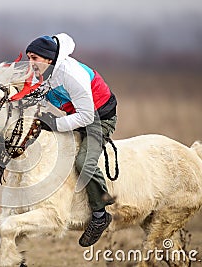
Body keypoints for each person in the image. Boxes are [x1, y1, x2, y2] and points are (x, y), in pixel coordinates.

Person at [25, 33, 117, 247]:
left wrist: (55, 124)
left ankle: (100, 214)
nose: (30, 62)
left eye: (35, 57)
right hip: (75, 116)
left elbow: (87, 117)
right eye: (29, 56)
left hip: (99, 119)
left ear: (49, 59)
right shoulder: (41, 72)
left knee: (83, 161)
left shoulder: (70, 74)